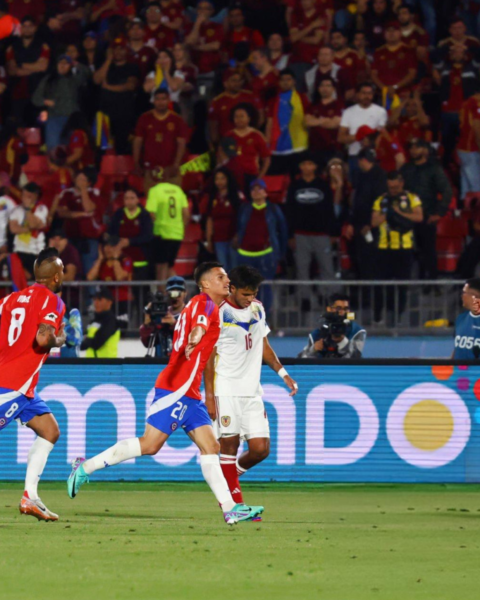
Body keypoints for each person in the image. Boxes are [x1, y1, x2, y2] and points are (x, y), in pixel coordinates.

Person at [68, 262, 264, 525]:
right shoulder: (204, 303)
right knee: (150, 445)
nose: (226, 280)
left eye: (226, 276)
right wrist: (196, 336)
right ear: (205, 284)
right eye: (220, 277)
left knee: (211, 446)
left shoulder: (203, 306)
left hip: (190, 392)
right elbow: (200, 327)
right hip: (177, 388)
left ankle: (230, 509)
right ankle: (85, 467)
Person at [204, 264, 297, 507]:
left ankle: (227, 479)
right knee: (230, 445)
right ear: (232, 288)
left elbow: (263, 345)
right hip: (226, 389)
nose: (250, 298)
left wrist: (283, 373)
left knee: (260, 449)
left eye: (253, 293)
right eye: (246, 294)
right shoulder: (219, 312)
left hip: (252, 391)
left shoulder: (257, 309)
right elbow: (209, 357)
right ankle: (235, 504)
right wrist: (210, 396)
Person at [0, 249, 66, 521]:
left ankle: (30, 497)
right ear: (56, 276)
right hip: (11, 384)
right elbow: (42, 339)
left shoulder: (10, 299)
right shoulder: (52, 301)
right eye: (62, 271)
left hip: (24, 389)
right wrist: (61, 339)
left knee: (50, 430)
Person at [286, 153, 341, 309]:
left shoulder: (323, 186)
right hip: (300, 235)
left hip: (322, 235)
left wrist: (333, 233)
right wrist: (290, 235)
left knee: (327, 268)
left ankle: (330, 297)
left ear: (315, 167)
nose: (307, 167)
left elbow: (330, 210)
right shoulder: (294, 186)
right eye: (304, 164)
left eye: (310, 164)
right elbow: (289, 212)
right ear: (300, 167)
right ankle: (304, 300)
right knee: (302, 269)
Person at [371, 171, 423, 323]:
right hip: (383, 248)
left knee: (401, 286)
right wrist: (388, 214)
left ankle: (398, 316)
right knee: (381, 286)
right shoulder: (381, 200)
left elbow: (419, 217)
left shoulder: (412, 198)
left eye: (395, 186)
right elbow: (374, 222)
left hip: (404, 248)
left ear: (401, 183)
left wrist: (399, 212)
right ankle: (378, 317)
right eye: (390, 187)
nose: (393, 189)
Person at [400, 139, 452, 281]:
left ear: (425, 150)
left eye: (417, 147)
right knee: (408, 251)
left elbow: (447, 191)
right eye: (411, 147)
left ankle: (432, 283)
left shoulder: (434, 168)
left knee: (428, 252)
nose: (413, 150)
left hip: (427, 216)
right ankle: (412, 281)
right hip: (408, 217)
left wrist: (439, 213)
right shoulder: (406, 169)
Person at [237, 179, 287, 315]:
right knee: (245, 289)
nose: (256, 192)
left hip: (266, 255)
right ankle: (247, 319)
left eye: (260, 189)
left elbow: (283, 231)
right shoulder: (245, 208)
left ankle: (264, 318)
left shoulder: (273, 209)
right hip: (245, 254)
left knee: (265, 288)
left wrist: (280, 254)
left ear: (266, 193)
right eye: (253, 189)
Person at [133, 88, 189, 192]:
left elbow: (181, 143)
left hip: (171, 168)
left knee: (173, 200)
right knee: (151, 202)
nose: (160, 102)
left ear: (168, 100)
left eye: (163, 99)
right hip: (150, 168)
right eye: (157, 99)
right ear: (153, 101)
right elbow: (138, 141)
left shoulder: (177, 120)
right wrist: (136, 162)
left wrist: (176, 164)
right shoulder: (144, 118)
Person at [32, 54, 89, 150]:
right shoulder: (48, 80)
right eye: (60, 63)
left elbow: (87, 73)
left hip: (72, 120)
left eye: (66, 63)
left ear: (70, 66)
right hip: (54, 119)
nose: (62, 65)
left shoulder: (74, 79)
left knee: (73, 148)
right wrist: (45, 101)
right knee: (54, 149)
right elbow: (35, 98)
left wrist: (76, 64)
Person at [94, 35, 140, 155]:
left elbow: (130, 86)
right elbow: (97, 80)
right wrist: (108, 60)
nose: (118, 51)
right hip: (105, 113)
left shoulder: (132, 67)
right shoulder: (106, 66)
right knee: (102, 149)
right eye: (115, 48)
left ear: (126, 50)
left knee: (121, 147)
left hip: (123, 114)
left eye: (121, 48)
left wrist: (108, 87)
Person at [346, 148, 387, 280]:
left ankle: (371, 292)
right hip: (359, 223)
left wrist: (370, 224)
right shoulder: (361, 175)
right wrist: (352, 223)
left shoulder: (380, 176)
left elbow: (382, 203)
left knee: (371, 259)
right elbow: (357, 201)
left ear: (362, 160)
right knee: (360, 257)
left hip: (373, 226)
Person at [56, 168, 105, 279]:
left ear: (89, 182)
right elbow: (62, 213)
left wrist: (84, 190)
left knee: (89, 272)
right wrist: (81, 214)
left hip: (89, 240)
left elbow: (89, 208)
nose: (80, 181)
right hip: (71, 239)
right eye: (78, 179)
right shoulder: (67, 194)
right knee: (72, 271)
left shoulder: (94, 194)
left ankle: (90, 296)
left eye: (83, 179)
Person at [338, 82, 387, 183]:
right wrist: (359, 136)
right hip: (354, 155)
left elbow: (382, 135)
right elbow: (341, 138)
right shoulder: (348, 112)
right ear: (358, 94)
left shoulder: (380, 111)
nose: (367, 96)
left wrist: (369, 140)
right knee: (356, 188)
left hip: (373, 156)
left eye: (369, 93)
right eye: (364, 93)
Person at [5, 16, 50, 125]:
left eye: (30, 26)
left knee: (38, 127)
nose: (27, 29)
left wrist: (20, 64)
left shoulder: (43, 46)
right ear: (20, 28)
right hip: (16, 94)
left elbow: (43, 67)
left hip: (38, 93)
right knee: (18, 128)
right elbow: (13, 71)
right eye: (24, 26)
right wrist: (34, 67)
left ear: (35, 28)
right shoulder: (11, 47)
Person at [265, 69, 308, 176]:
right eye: (283, 80)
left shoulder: (302, 98)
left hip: (298, 146)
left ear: (294, 81)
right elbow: (269, 122)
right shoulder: (273, 101)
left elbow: (308, 119)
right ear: (279, 82)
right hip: (277, 148)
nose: (285, 82)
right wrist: (267, 143)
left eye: (288, 79)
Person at [146, 179, 189, 283]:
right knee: (169, 266)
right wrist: (180, 229)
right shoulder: (178, 190)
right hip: (177, 234)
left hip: (161, 233)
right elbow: (186, 214)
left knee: (161, 267)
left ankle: (162, 295)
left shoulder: (155, 190)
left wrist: (156, 227)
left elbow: (150, 213)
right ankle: (180, 292)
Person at [220, 104, 271, 193]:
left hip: (251, 176)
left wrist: (259, 178)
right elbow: (221, 154)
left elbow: (266, 159)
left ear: (249, 118)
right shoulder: (228, 135)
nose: (239, 119)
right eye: (236, 116)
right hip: (232, 176)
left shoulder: (257, 136)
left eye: (242, 116)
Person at [299, 293, 366, 358]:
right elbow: (301, 359)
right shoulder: (317, 333)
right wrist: (313, 350)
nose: (342, 312)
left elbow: (356, 358)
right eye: (338, 308)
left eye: (346, 309)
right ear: (329, 309)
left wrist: (342, 342)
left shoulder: (357, 331)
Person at [108, 188, 153, 282]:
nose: (129, 201)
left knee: (141, 291)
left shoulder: (144, 215)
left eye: (132, 198)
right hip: (122, 260)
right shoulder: (119, 214)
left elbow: (148, 237)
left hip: (140, 261)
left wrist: (130, 241)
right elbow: (111, 233)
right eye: (126, 198)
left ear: (137, 200)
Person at [208, 69, 262, 145]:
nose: (237, 83)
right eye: (233, 81)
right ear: (225, 83)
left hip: (248, 141)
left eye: (239, 80)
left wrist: (254, 133)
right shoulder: (217, 101)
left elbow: (260, 116)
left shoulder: (249, 96)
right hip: (227, 142)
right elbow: (213, 125)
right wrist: (216, 143)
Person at [205, 167, 243, 272]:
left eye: (222, 178)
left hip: (234, 238)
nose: (219, 182)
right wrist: (208, 240)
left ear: (228, 179)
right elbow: (210, 219)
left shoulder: (236, 195)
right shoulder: (213, 197)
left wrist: (238, 235)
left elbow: (243, 217)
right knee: (224, 269)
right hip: (219, 239)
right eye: (217, 179)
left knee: (235, 268)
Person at [140, 275, 187, 358]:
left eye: (178, 293)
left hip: (182, 364)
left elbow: (193, 340)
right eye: (171, 293)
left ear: (185, 294)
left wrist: (174, 324)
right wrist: (147, 325)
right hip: (160, 363)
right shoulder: (160, 313)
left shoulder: (192, 313)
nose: (175, 297)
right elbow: (147, 343)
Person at [9, 182, 48, 278]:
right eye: (24, 195)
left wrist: (27, 209)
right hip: (19, 251)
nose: (25, 198)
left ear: (35, 196)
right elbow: (13, 229)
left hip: (35, 251)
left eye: (28, 196)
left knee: (33, 280)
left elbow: (33, 223)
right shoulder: (17, 210)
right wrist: (30, 228)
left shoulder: (41, 208)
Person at [371, 21, 417, 98]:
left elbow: (412, 74)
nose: (391, 33)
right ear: (384, 34)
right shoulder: (379, 52)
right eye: (388, 30)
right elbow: (373, 74)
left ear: (400, 33)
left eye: (394, 30)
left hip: (402, 95)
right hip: (382, 95)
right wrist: (384, 89)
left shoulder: (408, 50)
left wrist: (395, 87)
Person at [304, 78, 342, 166]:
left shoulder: (338, 105)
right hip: (315, 149)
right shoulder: (312, 106)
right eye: (322, 86)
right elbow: (307, 122)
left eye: (328, 86)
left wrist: (317, 120)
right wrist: (325, 120)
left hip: (333, 149)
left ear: (333, 89)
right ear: (318, 88)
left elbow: (335, 124)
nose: (325, 88)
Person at [80, 288, 120, 358]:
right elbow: (82, 345)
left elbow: (97, 343)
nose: (96, 302)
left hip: (106, 365)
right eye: (95, 299)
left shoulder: (112, 321)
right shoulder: (93, 320)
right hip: (91, 365)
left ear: (109, 302)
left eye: (100, 299)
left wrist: (86, 340)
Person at [457, 82, 480, 199]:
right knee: (476, 188)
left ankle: (462, 213)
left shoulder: (467, 102)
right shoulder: (477, 103)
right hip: (471, 149)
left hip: (464, 148)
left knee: (466, 188)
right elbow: (477, 127)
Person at [453, 279, 480, 359]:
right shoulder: (460, 319)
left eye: (464, 293)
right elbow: (456, 349)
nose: (462, 296)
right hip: (458, 371)